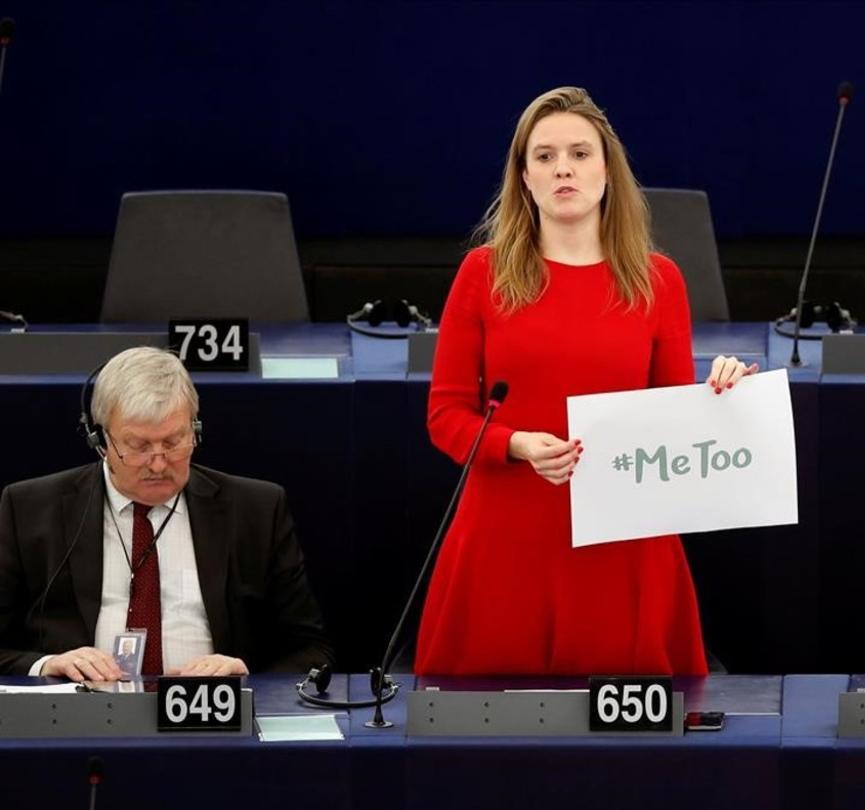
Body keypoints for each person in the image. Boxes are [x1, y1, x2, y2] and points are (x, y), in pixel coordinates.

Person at [415, 87, 756, 675]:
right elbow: (445, 416)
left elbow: (673, 422)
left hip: (623, 542)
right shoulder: (482, 274)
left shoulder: (659, 280)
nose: (563, 168)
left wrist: (720, 396)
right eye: (544, 157)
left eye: (579, 153)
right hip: (506, 539)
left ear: (607, 169)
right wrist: (515, 445)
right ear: (524, 177)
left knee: (628, 756)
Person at [0, 347, 334, 680]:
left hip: (213, 718)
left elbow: (312, 651)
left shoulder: (256, 510)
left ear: (196, 429)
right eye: (139, 446)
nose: (159, 464)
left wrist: (244, 672)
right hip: (76, 718)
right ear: (100, 439)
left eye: (174, 442)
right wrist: (46, 666)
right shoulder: (30, 509)